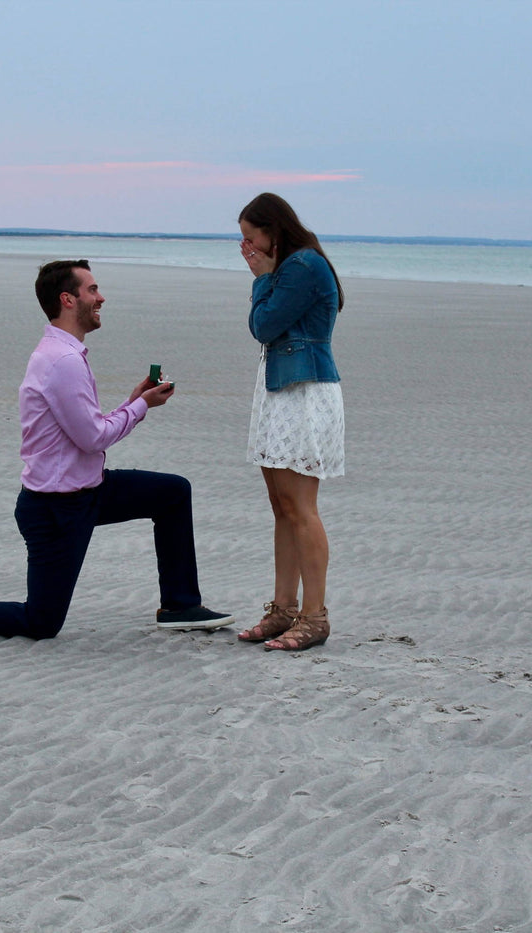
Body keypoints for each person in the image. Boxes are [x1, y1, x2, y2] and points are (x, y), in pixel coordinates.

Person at [0, 259, 233, 640]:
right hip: (56, 509)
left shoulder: (64, 354)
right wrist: (142, 406)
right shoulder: (62, 361)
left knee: (172, 493)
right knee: (40, 623)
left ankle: (180, 605)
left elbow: (85, 428)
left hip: (88, 491)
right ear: (67, 299)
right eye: (92, 290)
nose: (101, 297)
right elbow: (93, 438)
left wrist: (134, 401)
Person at [234, 193, 344, 652]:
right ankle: (282, 608)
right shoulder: (288, 267)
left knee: (301, 508)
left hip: (304, 392)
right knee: (282, 507)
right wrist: (265, 276)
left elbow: (263, 326)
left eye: (250, 238)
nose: (247, 248)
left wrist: (261, 279)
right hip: (280, 389)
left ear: (272, 231)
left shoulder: (302, 266)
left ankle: (313, 615)